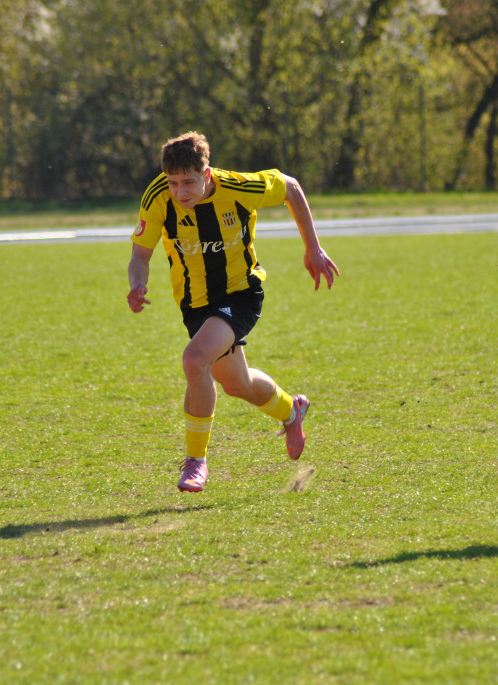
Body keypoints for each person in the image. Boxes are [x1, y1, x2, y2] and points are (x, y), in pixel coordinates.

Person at [127, 131, 339, 492]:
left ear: (207, 175)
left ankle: (196, 460)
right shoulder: (158, 197)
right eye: (174, 182)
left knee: (195, 360)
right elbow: (140, 255)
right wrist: (137, 284)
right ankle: (291, 410)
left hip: (240, 292)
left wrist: (313, 248)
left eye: (189, 182)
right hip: (194, 303)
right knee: (236, 384)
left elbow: (290, 187)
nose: (181, 191)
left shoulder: (238, 186)